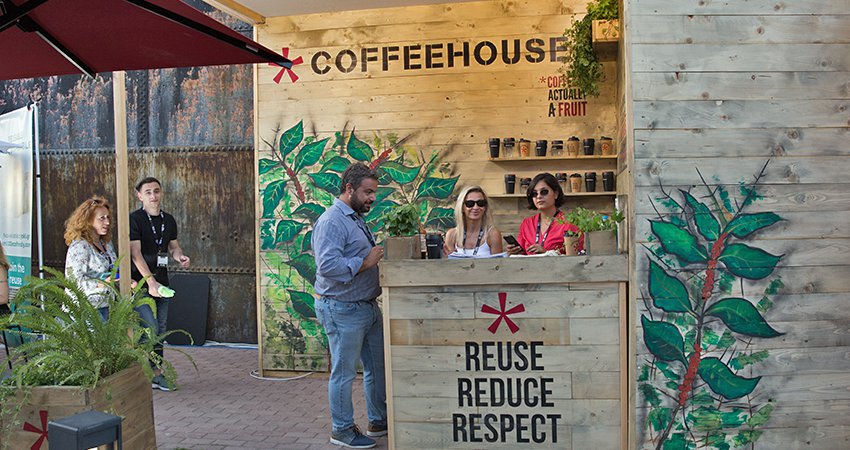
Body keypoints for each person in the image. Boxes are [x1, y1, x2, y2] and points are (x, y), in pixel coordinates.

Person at [312, 163, 387, 449]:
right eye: (367, 192)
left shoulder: (354, 218)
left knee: (376, 367)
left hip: (366, 307)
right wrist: (365, 262)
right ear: (349, 189)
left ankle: (378, 420)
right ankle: (342, 430)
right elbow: (328, 266)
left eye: (373, 192)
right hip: (343, 309)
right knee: (343, 373)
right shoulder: (332, 221)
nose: (372, 198)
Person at [129, 177, 190, 392]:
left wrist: (180, 256)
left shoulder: (168, 220)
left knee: (160, 329)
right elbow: (135, 254)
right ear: (140, 196)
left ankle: (155, 373)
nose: (153, 196)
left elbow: (173, 247)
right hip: (140, 284)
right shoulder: (135, 219)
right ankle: (141, 372)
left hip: (162, 284)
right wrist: (150, 282)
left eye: (156, 191)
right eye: (148, 192)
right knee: (149, 327)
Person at [63, 196, 118, 321]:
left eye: (108, 217)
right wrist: (101, 284)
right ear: (88, 220)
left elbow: (113, 268)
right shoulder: (80, 245)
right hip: (85, 310)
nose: (107, 222)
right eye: (102, 218)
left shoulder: (106, 243)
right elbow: (74, 281)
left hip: (105, 306)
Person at [506, 172, 583, 255]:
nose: (538, 196)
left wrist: (547, 253)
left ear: (556, 194)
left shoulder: (569, 223)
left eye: (544, 192)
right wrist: (513, 252)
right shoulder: (527, 223)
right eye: (534, 194)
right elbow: (521, 255)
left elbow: (578, 256)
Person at [443, 185, 503, 257]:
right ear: (462, 207)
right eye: (470, 204)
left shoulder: (492, 234)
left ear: (485, 207)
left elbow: (498, 263)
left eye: (480, 203)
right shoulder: (452, 235)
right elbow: (449, 263)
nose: (475, 207)